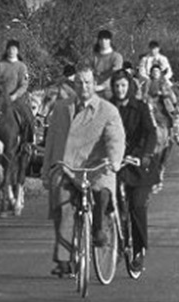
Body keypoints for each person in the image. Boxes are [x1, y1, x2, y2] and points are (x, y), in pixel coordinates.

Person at [42, 66, 126, 278]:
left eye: (88, 82)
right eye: (79, 82)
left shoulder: (107, 110)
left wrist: (114, 161)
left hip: (97, 166)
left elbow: (115, 138)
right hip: (67, 166)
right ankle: (63, 260)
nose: (84, 87)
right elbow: (51, 140)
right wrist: (47, 169)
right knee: (63, 208)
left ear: (94, 84)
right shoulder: (61, 108)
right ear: (74, 84)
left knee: (103, 192)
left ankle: (99, 230)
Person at [110, 70, 159, 273]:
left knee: (137, 206)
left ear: (129, 86)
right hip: (116, 162)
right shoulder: (109, 108)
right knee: (112, 205)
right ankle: (114, 243)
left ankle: (139, 250)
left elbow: (151, 133)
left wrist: (144, 155)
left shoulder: (140, 108)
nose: (120, 90)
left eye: (123, 85)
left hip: (138, 165)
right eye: (116, 86)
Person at [145, 63, 179, 186]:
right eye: (153, 72)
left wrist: (164, 94)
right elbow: (142, 97)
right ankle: (155, 171)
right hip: (152, 118)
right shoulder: (146, 84)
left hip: (165, 119)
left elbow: (174, 100)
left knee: (167, 146)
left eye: (157, 71)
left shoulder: (165, 84)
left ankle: (161, 167)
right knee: (154, 146)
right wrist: (149, 100)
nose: (155, 74)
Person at [92, 29, 124, 98]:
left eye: (106, 39)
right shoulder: (93, 56)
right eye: (101, 39)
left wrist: (103, 86)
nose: (103, 42)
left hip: (111, 89)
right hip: (94, 88)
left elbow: (116, 74)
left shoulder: (116, 56)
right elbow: (89, 71)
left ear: (110, 40)